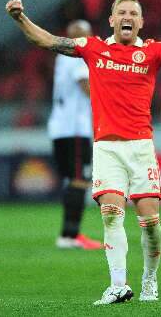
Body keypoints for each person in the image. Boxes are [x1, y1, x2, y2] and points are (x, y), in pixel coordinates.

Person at [6, 0, 161, 305]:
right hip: (106, 148)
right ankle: (118, 284)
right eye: (122, 12)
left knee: (150, 225)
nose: (128, 17)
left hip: (141, 148)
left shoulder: (152, 51)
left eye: (134, 12)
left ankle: (150, 277)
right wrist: (20, 18)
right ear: (112, 20)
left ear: (141, 21)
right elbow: (49, 41)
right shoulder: (94, 48)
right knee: (110, 215)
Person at [49, 20, 102, 250]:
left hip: (60, 127)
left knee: (74, 179)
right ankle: (71, 235)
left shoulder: (62, 57)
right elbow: (84, 84)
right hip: (75, 128)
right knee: (80, 180)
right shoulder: (77, 56)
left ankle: (68, 234)